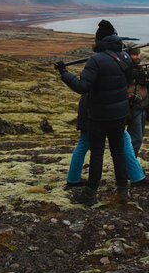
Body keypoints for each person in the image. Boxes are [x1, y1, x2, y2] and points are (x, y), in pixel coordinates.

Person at [54, 20, 131, 206]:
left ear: (99, 41)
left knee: (97, 154)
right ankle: (123, 191)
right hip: (120, 114)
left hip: (99, 116)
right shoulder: (125, 58)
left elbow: (82, 87)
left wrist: (64, 73)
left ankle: (90, 193)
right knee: (118, 152)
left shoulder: (95, 60)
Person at [65, 94, 149, 190]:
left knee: (84, 143)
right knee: (124, 140)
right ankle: (136, 176)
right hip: (107, 111)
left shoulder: (89, 82)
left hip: (90, 109)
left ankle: (73, 179)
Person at [125, 43, 149, 157]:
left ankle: (130, 165)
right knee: (135, 139)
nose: (137, 57)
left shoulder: (139, 68)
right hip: (134, 108)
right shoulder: (126, 70)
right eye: (134, 54)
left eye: (138, 54)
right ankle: (130, 167)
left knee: (137, 139)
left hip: (142, 107)